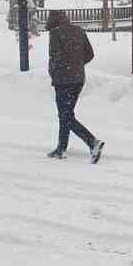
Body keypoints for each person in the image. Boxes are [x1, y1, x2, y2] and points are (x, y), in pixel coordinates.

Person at [46, 10, 104, 162]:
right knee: (66, 115)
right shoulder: (79, 30)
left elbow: (54, 57)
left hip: (63, 81)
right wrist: (76, 65)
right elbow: (90, 54)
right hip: (78, 79)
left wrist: (55, 72)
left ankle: (92, 142)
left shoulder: (55, 33)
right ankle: (61, 148)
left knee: (65, 116)